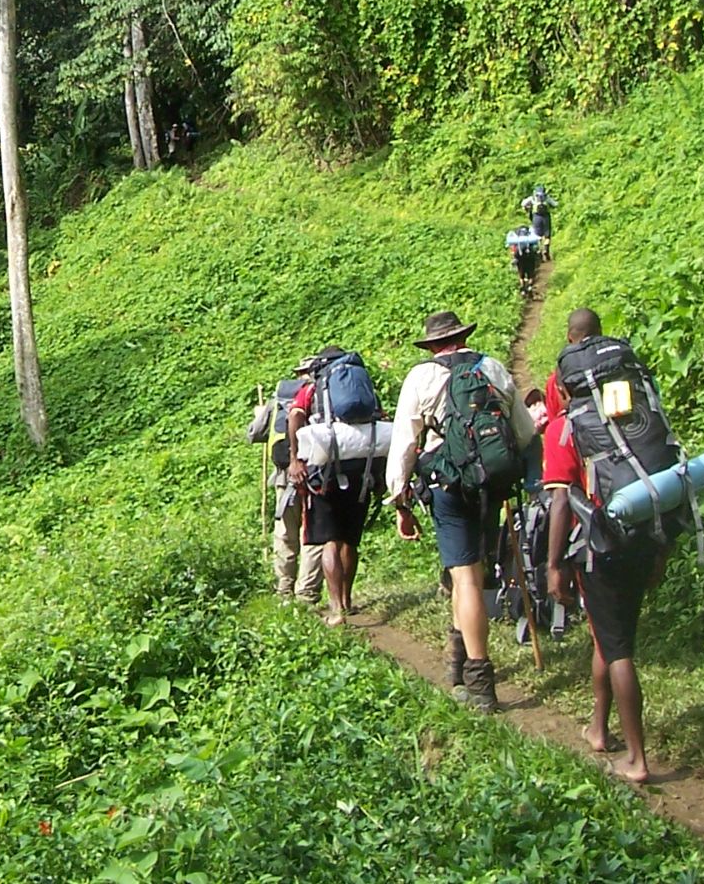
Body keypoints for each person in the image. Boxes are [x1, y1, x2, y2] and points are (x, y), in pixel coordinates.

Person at [386, 311, 536, 713]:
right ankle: (458, 659)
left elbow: (404, 444)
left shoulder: (421, 377)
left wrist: (400, 500)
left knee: (464, 577)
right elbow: (524, 433)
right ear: (464, 337)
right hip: (490, 483)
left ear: (432, 345)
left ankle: (480, 680)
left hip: (448, 485)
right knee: (472, 571)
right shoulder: (492, 368)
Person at [543, 307, 669, 783]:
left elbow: (560, 502)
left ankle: (637, 759)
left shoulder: (567, 427)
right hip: (646, 532)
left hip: (601, 549)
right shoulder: (634, 409)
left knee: (618, 650)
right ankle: (598, 728)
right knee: (610, 634)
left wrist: (554, 564)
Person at [284, 363, 383, 626]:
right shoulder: (364, 388)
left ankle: (337, 608)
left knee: (331, 542)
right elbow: (379, 424)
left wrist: (295, 458)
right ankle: (347, 601)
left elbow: (294, 417)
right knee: (349, 541)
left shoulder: (313, 388)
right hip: (362, 471)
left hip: (324, 474)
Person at [247, 362, 322, 604]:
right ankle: (307, 593)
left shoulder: (279, 400)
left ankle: (284, 589)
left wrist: (260, 415)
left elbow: (253, 434)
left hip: (284, 476)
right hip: (317, 475)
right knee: (312, 533)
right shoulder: (323, 395)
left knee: (285, 534)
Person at [505, 224, 543, 293]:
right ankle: (530, 286)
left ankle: (522, 287)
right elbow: (536, 247)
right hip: (530, 257)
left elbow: (512, 250)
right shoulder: (530, 237)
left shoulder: (516, 239)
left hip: (519, 258)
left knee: (521, 275)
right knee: (531, 274)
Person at [522, 186, 557, 258]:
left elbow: (523, 203)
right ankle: (546, 249)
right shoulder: (547, 198)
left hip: (536, 217)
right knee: (547, 235)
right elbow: (555, 204)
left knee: (537, 235)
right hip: (546, 218)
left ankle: (539, 251)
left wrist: (527, 208)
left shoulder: (532, 198)